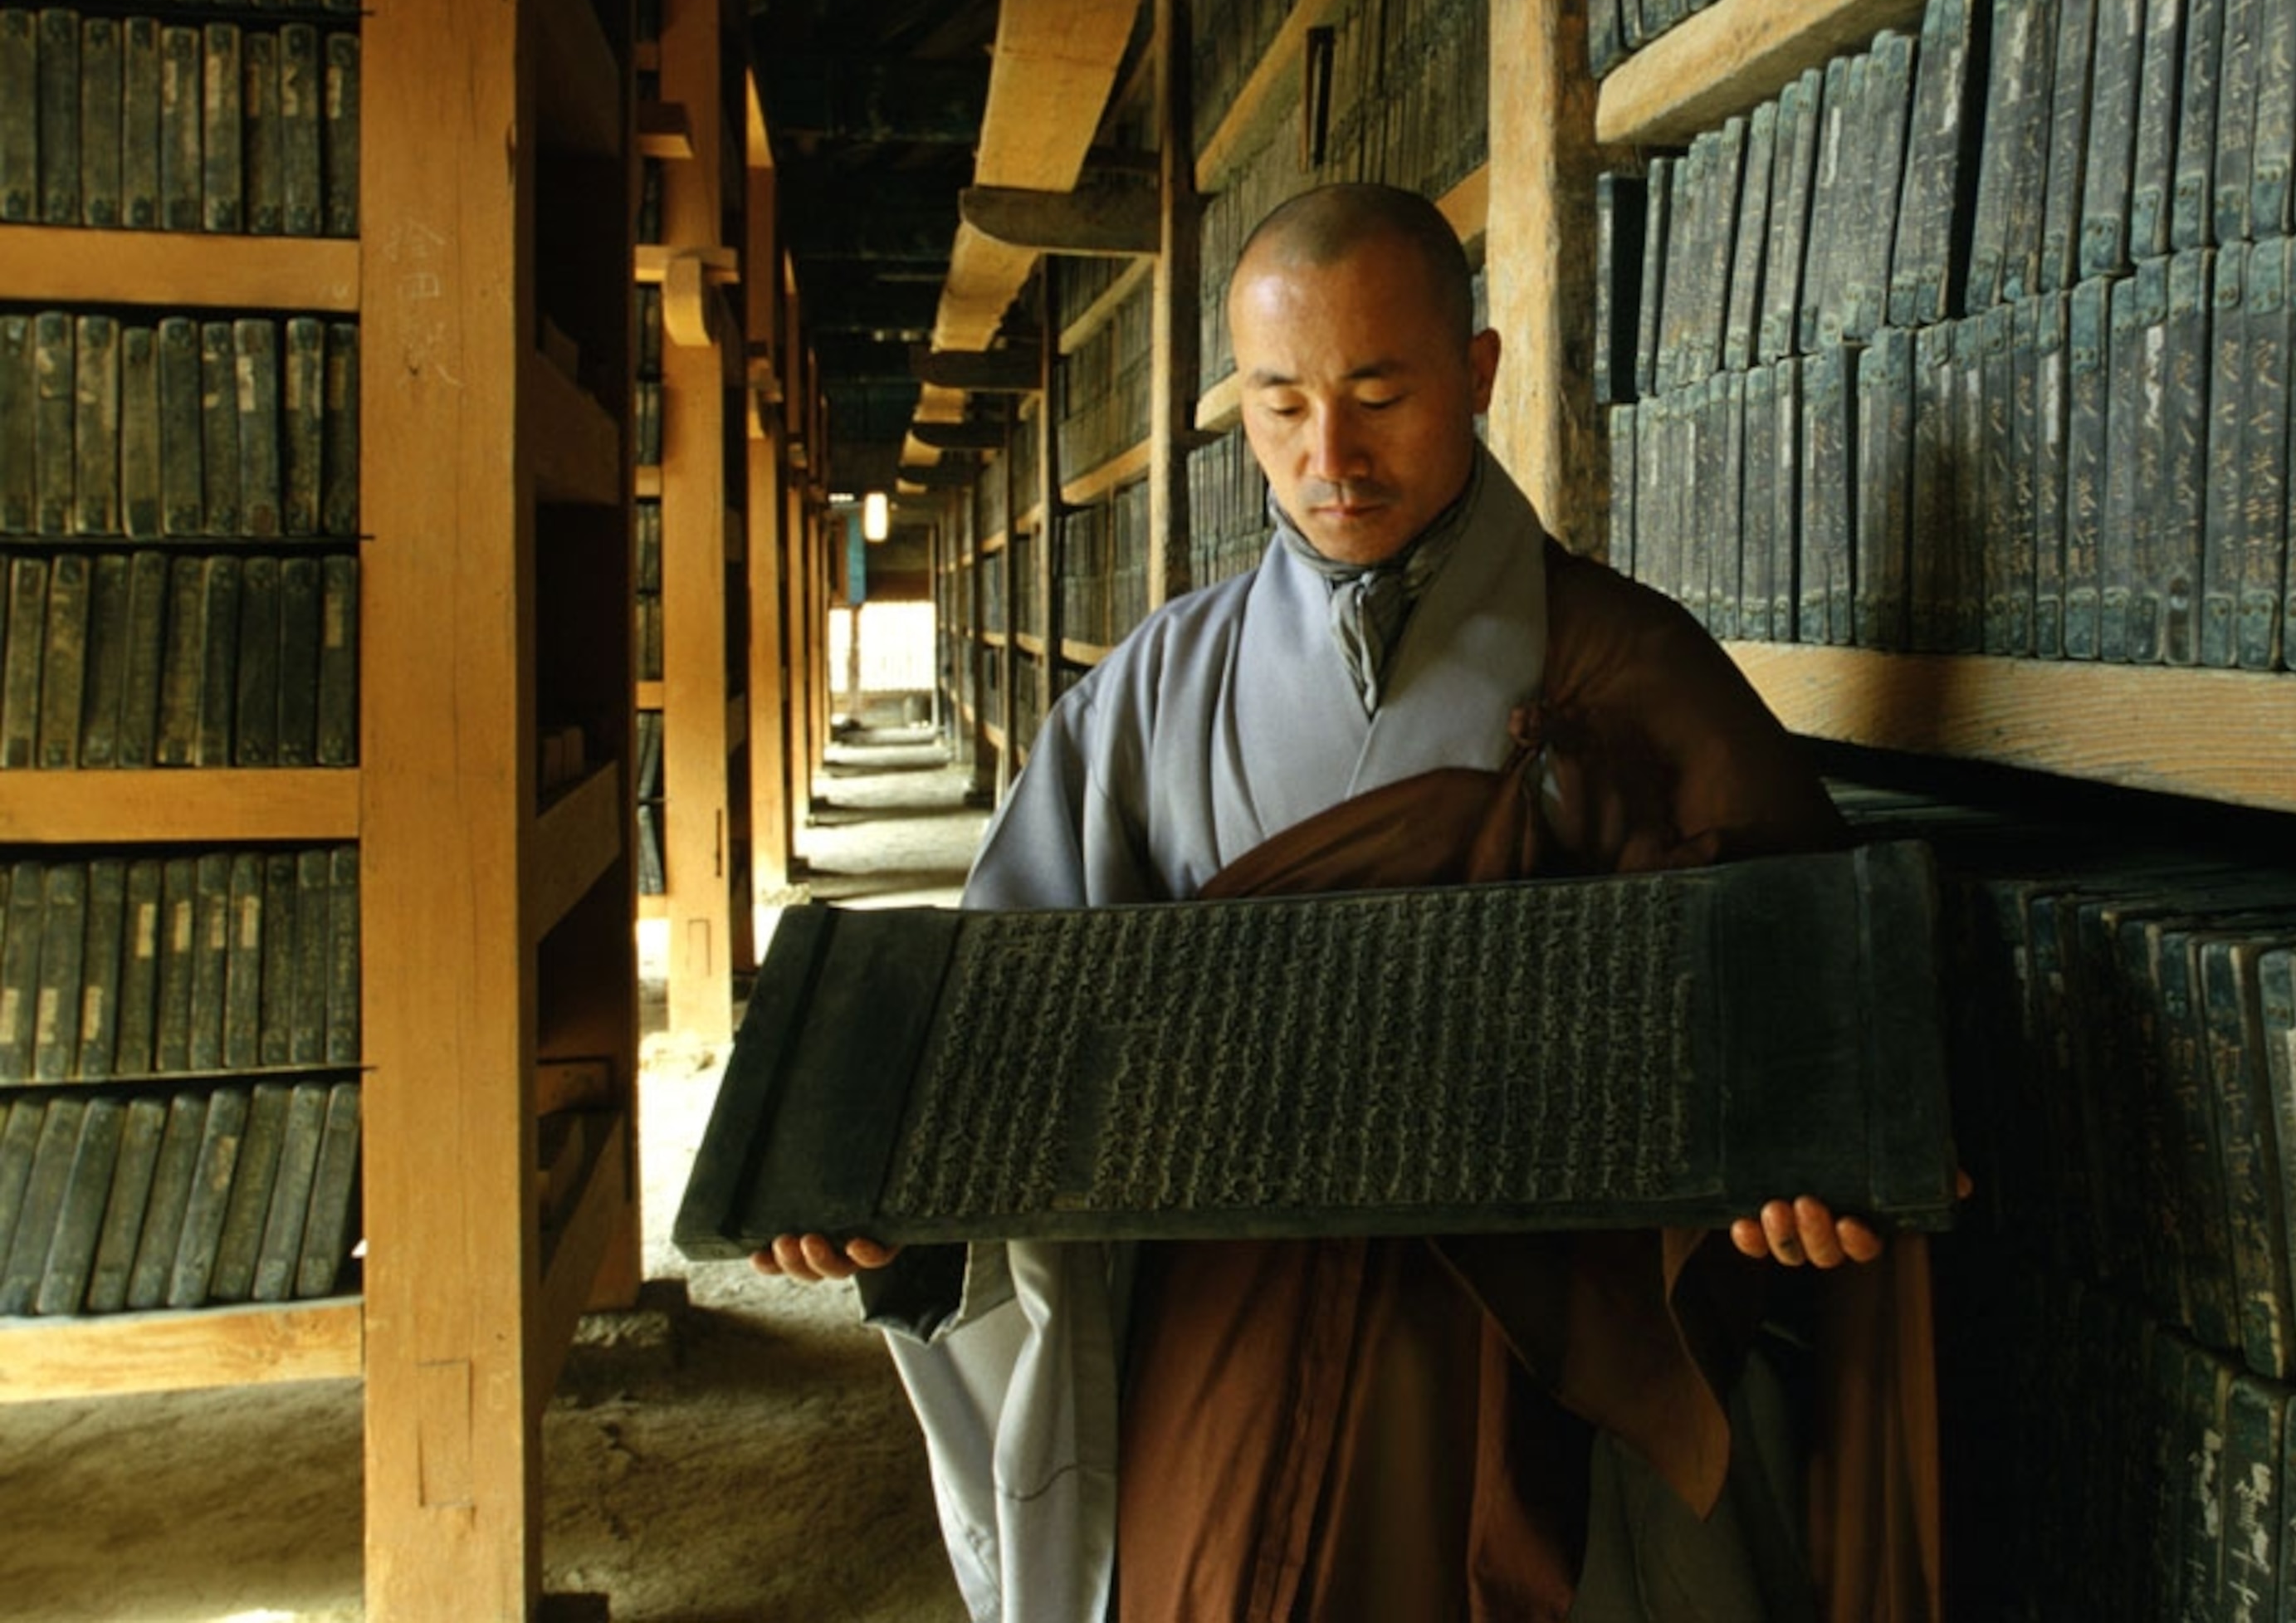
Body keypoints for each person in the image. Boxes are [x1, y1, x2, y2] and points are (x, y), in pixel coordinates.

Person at [759, 183, 1938, 1621]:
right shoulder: (1150, 696)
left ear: (1480, 372)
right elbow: (996, 1042)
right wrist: (894, 1217)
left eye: (1380, 393)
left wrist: (1792, 1195)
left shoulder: (1629, 678)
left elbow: (1810, 1038)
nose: (1332, 457)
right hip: (1223, 1363)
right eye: (1281, 405)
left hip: (1529, 1385)